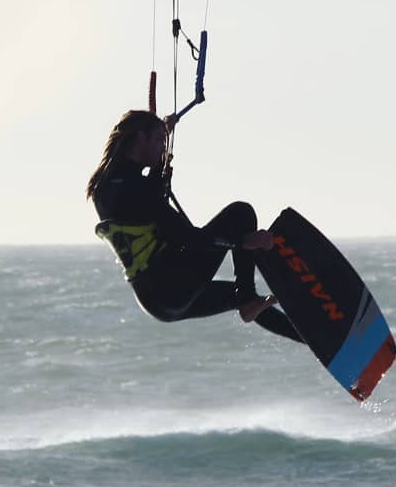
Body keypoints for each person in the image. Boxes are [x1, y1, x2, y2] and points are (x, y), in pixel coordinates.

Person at [87, 110, 301, 341]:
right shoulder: (139, 190)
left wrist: (162, 133)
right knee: (241, 213)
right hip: (174, 285)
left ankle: (315, 342)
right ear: (140, 138)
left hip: (156, 303)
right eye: (159, 140)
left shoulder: (103, 185)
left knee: (238, 296)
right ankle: (249, 300)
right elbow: (186, 237)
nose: (163, 147)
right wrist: (242, 242)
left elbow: (145, 197)